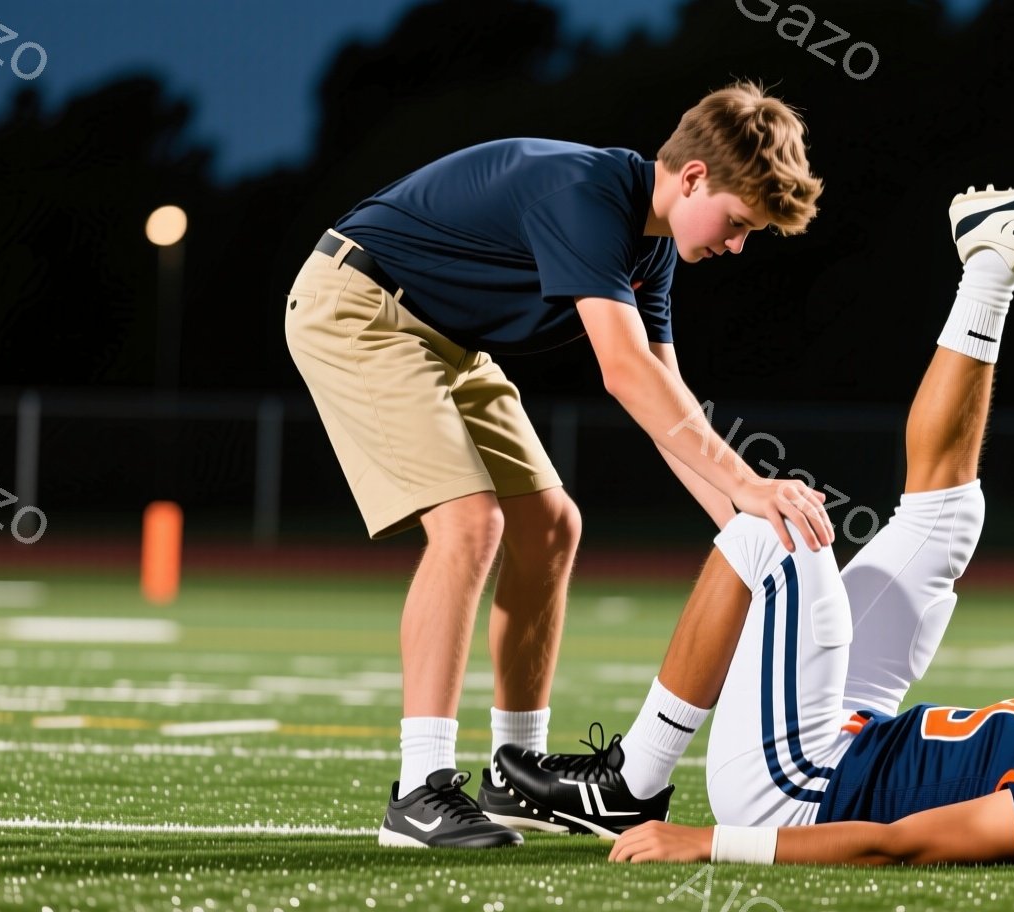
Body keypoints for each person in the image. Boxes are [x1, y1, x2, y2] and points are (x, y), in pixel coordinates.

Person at [498, 168, 1014, 866]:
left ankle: (629, 782)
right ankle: (991, 264)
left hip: (800, 789)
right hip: (857, 736)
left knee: (776, 529)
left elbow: (902, 845)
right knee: (947, 517)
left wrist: (713, 844)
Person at [283, 81, 837, 849]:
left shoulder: (652, 244)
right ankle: (418, 790)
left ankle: (515, 774)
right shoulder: (588, 196)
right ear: (694, 178)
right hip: (360, 306)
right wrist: (748, 482)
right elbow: (623, 371)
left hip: (441, 336)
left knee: (552, 526)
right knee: (470, 526)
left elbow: (667, 406)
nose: (737, 246)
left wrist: (755, 542)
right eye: (740, 224)